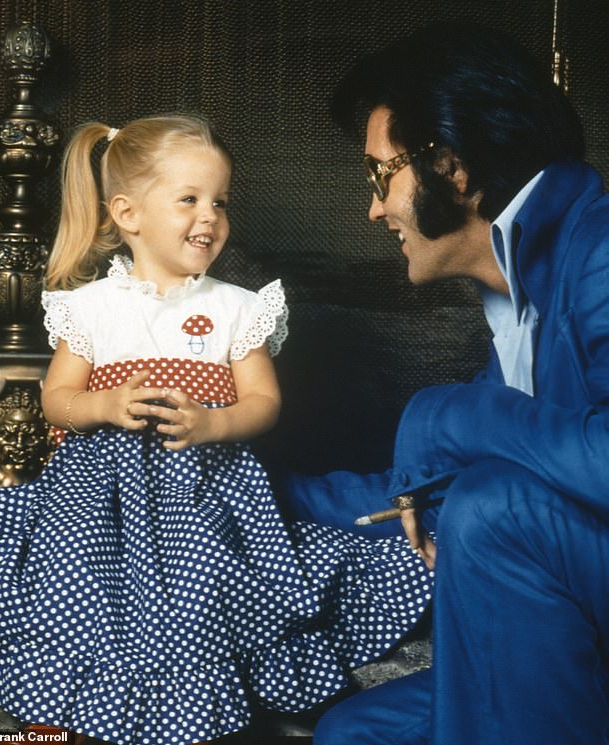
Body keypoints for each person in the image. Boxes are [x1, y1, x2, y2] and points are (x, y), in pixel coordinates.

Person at [0, 113, 435, 745]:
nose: (211, 216)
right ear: (128, 214)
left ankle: (195, 709)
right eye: (189, 199)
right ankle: (58, 721)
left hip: (202, 488)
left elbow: (263, 403)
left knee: (205, 585)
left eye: (220, 200)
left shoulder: (236, 307)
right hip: (97, 493)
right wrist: (102, 407)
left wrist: (212, 422)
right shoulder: (90, 308)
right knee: (67, 571)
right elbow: (57, 400)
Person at [312, 22, 609, 745]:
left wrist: (445, 413)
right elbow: (418, 485)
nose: (374, 209)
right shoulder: (512, 300)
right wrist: (238, 479)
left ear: (450, 168)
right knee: (353, 734)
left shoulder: (600, 246)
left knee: (492, 504)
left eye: (382, 175)